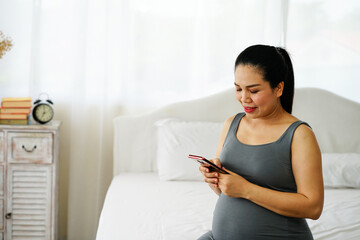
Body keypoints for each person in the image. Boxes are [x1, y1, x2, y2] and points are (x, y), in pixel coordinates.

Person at [198, 44, 324, 240]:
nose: (244, 98)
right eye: (238, 89)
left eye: (254, 90)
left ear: (279, 88)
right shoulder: (232, 123)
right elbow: (228, 194)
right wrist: (216, 180)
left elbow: (313, 207)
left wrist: (246, 189)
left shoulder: (299, 134)